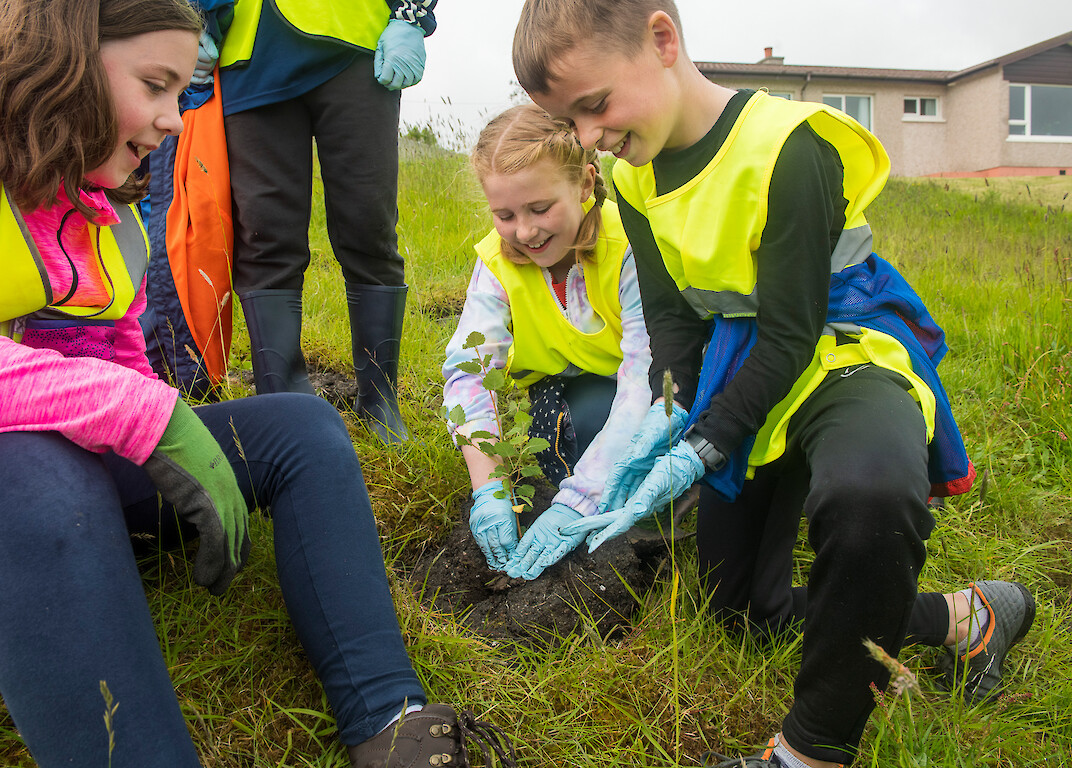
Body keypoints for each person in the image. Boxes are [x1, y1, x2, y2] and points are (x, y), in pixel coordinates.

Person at [0, 2, 516, 766]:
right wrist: (141, 411)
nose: (174, 120)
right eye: (155, 84)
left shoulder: (113, 224)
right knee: (24, 463)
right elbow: (120, 404)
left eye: (180, 92)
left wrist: (157, 435)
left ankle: (392, 723)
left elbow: (123, 376)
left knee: (303, 425)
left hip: (42, 513)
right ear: (61, 53)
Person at [511, 1, 1034, 766]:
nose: (591, 138)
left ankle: (808, 751)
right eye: (571, 123)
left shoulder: (789, 145)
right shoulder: (632, 178)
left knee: (868, 495)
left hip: (840, 350)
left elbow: (791, 334)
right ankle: (967, 616)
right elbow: (677, 339)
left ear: (662, 41)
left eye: (594, 106)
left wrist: (706, 447)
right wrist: (623, 457)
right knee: (744, 616)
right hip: (742, 362)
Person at [175, 0, 439, 443]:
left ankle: (379, 394)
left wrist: (410, 16)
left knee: (369, 224)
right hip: (250, 49)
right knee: (263, 232)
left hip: (355, 41)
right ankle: (282, 404)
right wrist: (189, 18)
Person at [442, 104, 652, 579]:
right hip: (556, 393)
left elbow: (644, 380)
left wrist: (580, 500)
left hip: (633, 396)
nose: (526, 231)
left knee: (598, 426)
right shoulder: (496, 262)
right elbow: (469, 374)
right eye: (505, 214)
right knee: (559, 435)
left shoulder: (628, 248)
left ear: (583, 184)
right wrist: (491, 488)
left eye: (540, 209)